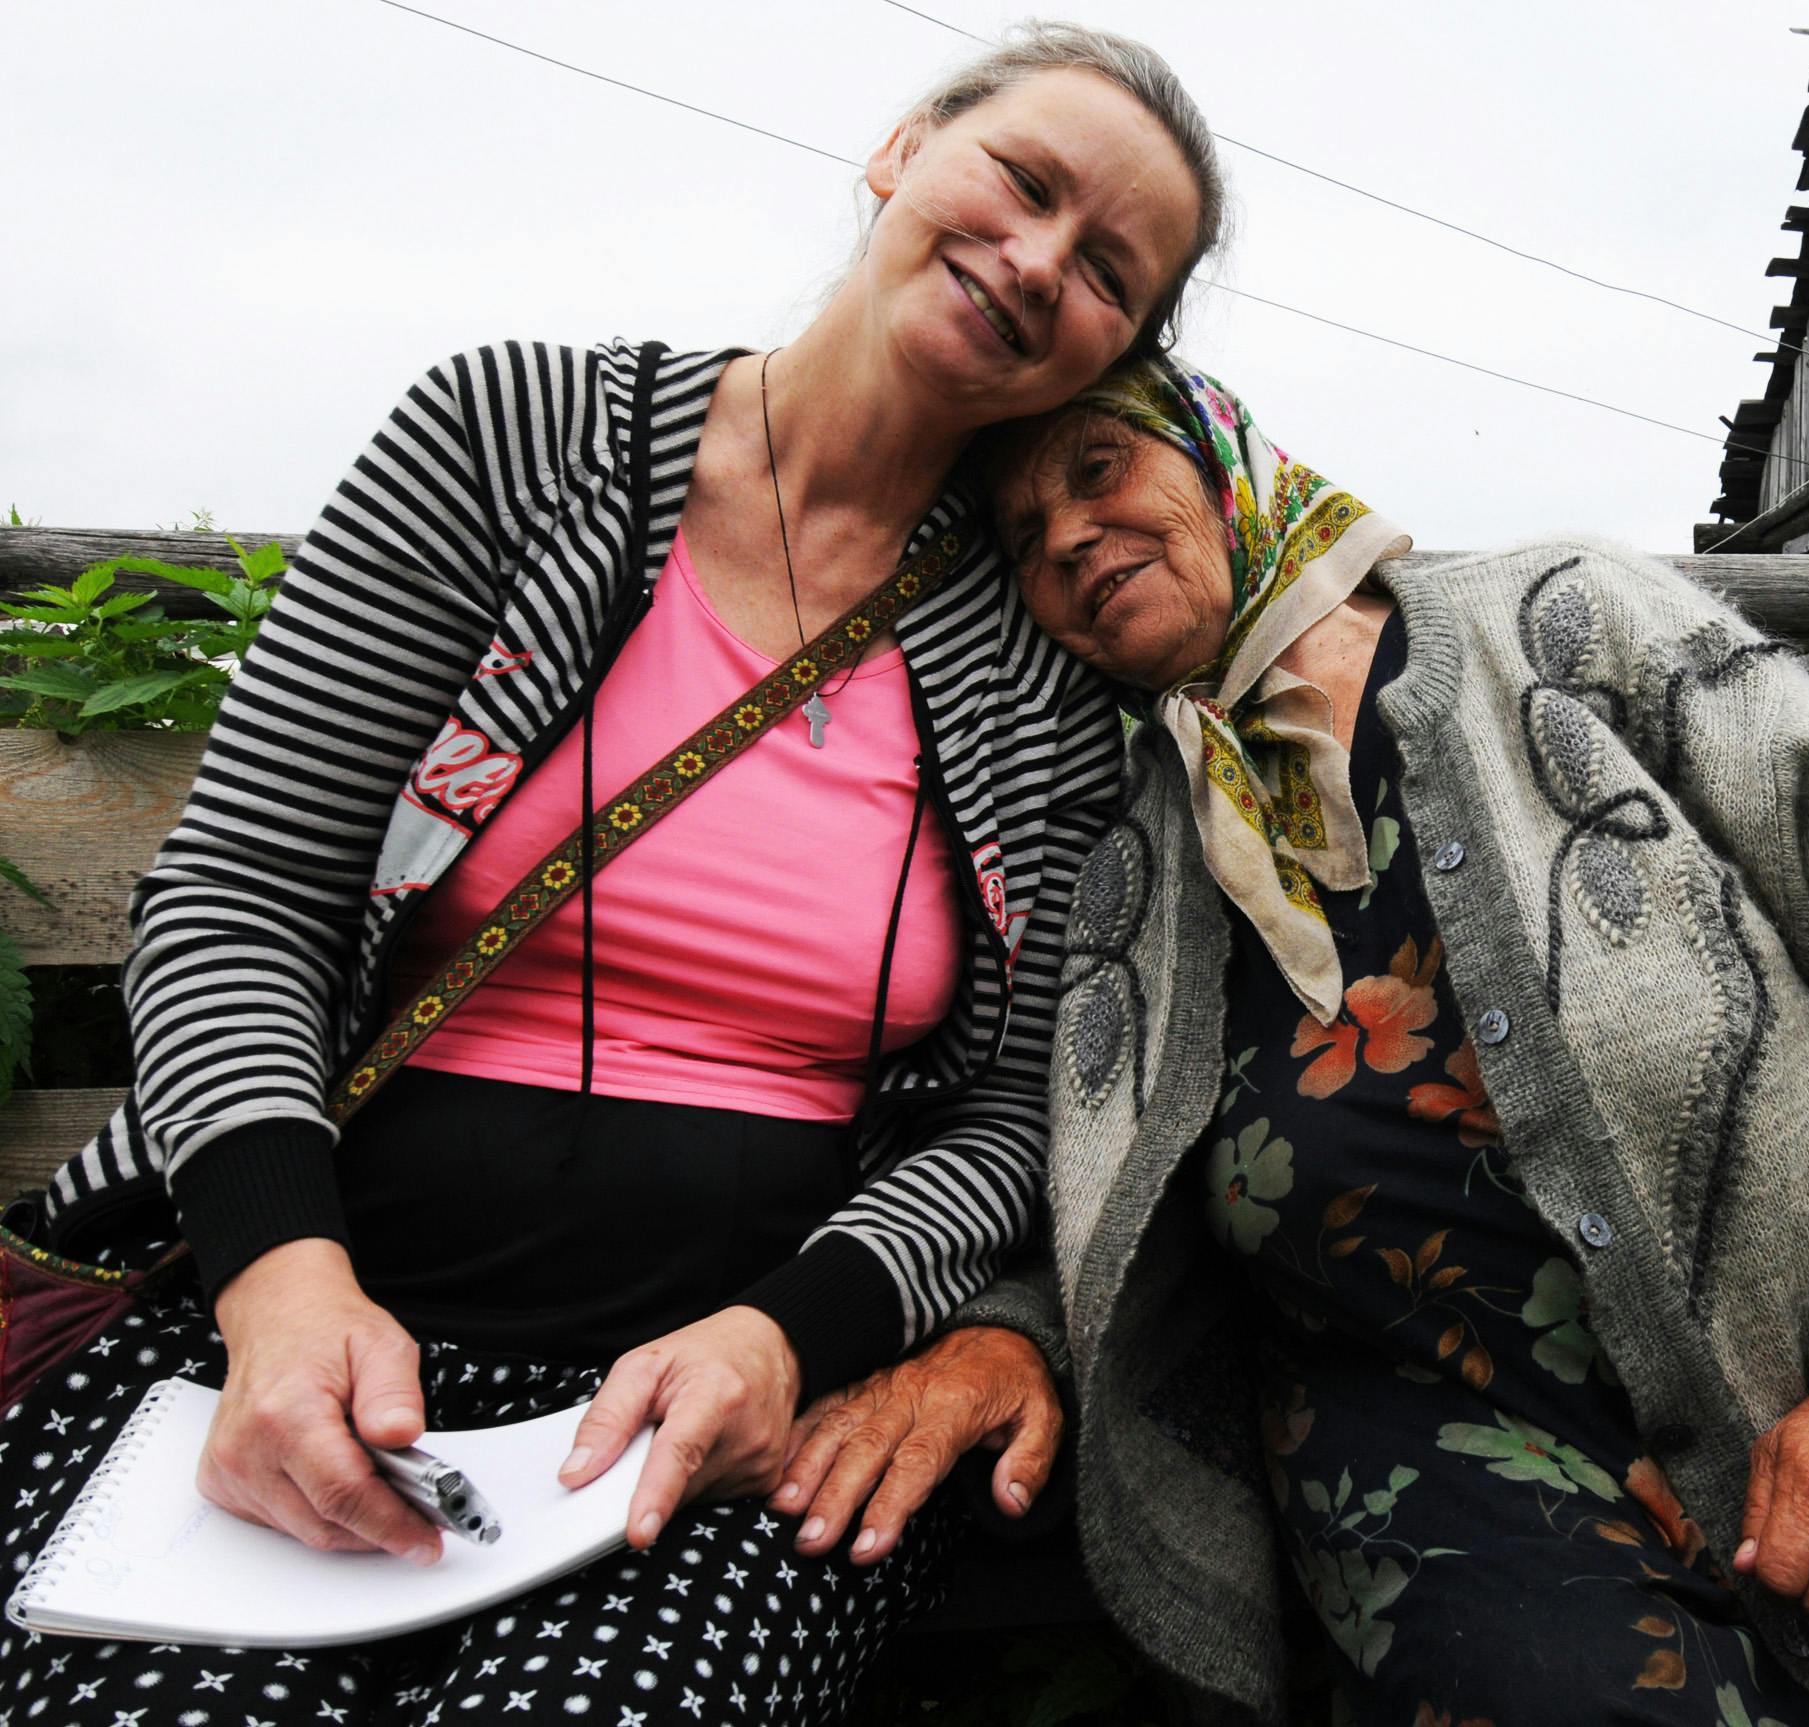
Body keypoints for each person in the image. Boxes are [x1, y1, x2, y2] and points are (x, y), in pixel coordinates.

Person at [0, 23, 1222, 1725]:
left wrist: (793, 1333)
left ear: (1117, 354)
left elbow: (1003, 1120)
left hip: (726, 1420)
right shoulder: (515, 438)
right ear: (900, 149)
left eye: (1109, 271)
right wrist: (280, 1286)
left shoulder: (1033, 669)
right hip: (306, 1318)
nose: (1039, 263)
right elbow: (239, 902)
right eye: (1022, 183)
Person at [776, 358, 1809, 1726]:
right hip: (1447, 1465)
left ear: (1220, 455)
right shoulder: (1123, 867)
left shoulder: (1569, 626)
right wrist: (1008, 1335)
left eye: (1100, 470)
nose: (1068, 539)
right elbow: (1089, 1196)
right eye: (1022, 536)